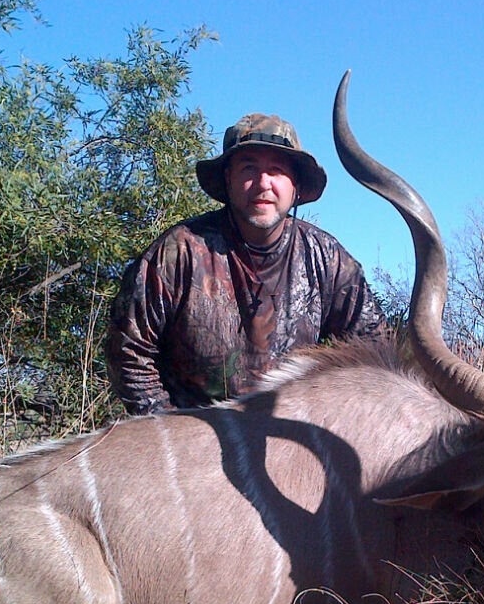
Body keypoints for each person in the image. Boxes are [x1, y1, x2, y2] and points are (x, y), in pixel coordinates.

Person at [106, 113, 388, 414]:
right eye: (249, 168)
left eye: (277, 170)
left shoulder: (327, 257)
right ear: (228, 180)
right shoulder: (180, 251)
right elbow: (128, 351)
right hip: (193, 442)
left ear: (296, 186)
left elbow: (377, 353)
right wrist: (171, 429)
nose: (263, 183)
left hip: (290, 440)